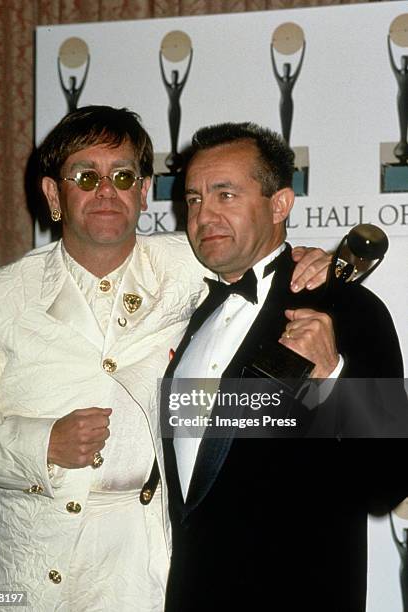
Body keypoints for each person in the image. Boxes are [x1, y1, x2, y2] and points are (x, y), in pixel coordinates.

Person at [0, 106, 330, 612]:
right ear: (53, 195)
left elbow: (260, 252)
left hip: (143, 566)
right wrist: (42, 442)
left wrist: (311, 259)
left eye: (123, 176)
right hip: (22, 569)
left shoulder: (192, 261)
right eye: (86, 176)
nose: (106, 190)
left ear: (143, 190)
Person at [161, 122, 407, 612]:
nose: (203, 214)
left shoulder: (350, 311)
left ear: (280, 205)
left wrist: (332, 377)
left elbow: (389, 481)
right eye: (192, 199)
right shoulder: (187, 309)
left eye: (225, 194)